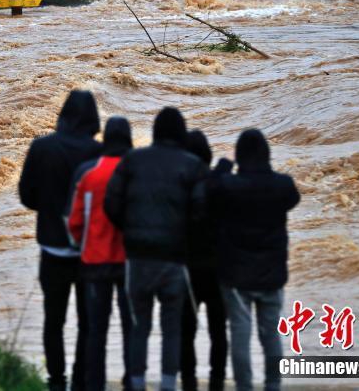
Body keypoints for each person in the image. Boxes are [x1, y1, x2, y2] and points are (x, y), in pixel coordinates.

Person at [104, 107, 207, 391]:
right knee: (172, 327)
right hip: (173, 259)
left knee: (140, 325)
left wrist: (130, 230)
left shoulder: (132, 160)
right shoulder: (192, 165)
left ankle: (136, 383)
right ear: (181, 133)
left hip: (137, 258)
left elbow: (111, 204)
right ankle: (167, 385)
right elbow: (201, 213)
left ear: (155, 131)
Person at [19, 90, 103, 391]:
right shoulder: (98, 154)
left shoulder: (41, 147)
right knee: (87, 323)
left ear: (63, 114)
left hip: (52, 248)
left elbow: (26, 197)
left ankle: (56, 381)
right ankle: (81, 381)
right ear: (93, 118)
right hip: (88, 254)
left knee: (53, 320)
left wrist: (51, 209)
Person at [211, 129, 300, 391]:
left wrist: (227, 162)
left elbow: (210, 187)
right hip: (272, 274)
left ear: (241, 156)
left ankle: (244, 386)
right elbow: (293, 199)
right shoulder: (282, 185)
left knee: (240, 333)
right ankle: (273, 384)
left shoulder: (230, 186)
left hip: (236, 276)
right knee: (271, 334)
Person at [68, 117, 135, 391]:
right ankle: (133, 382)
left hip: (95, 260)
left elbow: (74, 222)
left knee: (96, 331)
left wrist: (80, 244)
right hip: (130, 261)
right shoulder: (135, 171)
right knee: (132, 328)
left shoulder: (89, 173)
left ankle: (94, 385)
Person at [179, 130, 230, 391]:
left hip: (188, 270)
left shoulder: (179, 188)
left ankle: (188, 382)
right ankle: (217, 381)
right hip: (218, 269)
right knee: (218, 331)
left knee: (186, 331)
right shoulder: (220, 183)